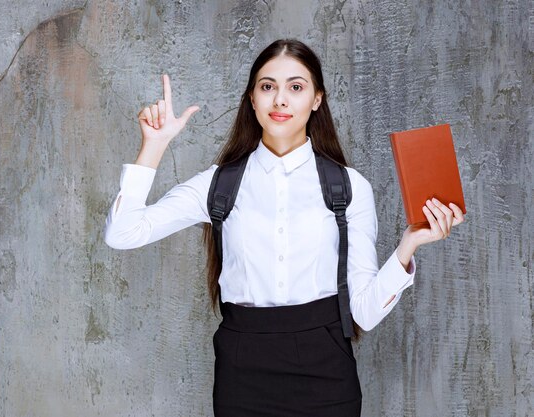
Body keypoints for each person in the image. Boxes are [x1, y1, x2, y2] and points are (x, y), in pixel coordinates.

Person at [103, 39, 464, 417]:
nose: (280, 100)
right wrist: (154, 146)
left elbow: (365, 313)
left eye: (295, 87)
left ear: (316, 99)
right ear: (252, 99)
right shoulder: (218, 184)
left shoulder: (348, 186)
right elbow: (122, 233)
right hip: (242, 371)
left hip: (326, 369)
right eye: (267, 86)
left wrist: (408, 246)